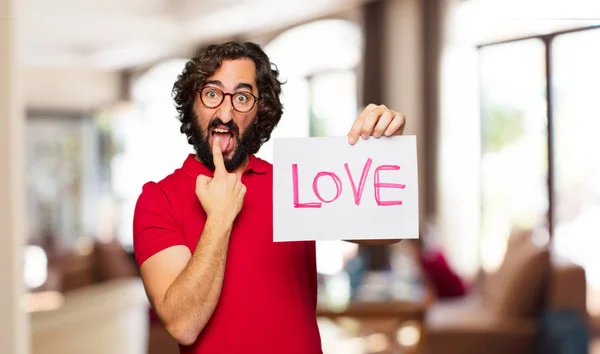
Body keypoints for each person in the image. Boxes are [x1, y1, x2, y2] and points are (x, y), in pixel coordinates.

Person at [133, 41, 407, 354]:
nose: (225, 112)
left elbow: (388, 229)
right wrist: (220, 218)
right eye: (211, 94)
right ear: (191, 103)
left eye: (241, 97)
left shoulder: (295, 183)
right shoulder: (157, 200)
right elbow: (184, 324)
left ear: (260, 109)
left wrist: (385, 150)